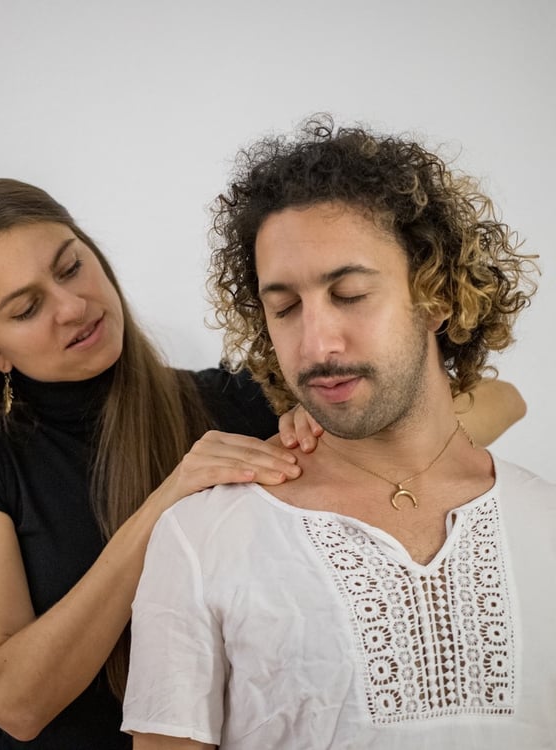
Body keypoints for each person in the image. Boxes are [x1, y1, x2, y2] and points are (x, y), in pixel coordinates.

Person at [0, 178, 523, 750]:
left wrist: (327, 442)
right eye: (25, 308)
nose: (73, 307)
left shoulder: (227, 402)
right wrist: (169, 500)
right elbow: (18, 703)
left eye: (73, 267)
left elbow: (500, 399)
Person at [121, 117, 554, 749]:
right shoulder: (200, 540)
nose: (317, 344)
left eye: (349, 294)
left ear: (434, 295)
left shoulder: (543, 520)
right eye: (285, 308)